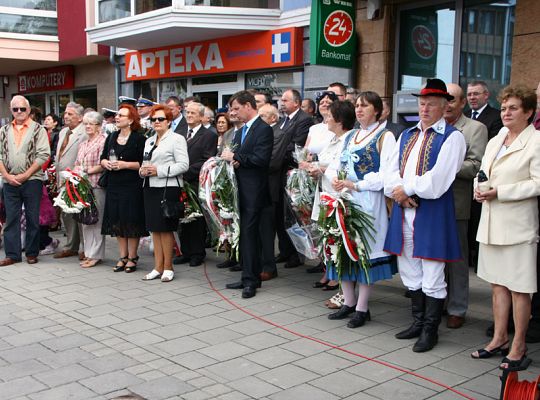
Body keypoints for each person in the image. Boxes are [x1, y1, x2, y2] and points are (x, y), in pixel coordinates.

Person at [384, 79, 466, 353]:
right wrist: (399, 192)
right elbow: (391, 171)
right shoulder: (407, 135)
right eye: (422, 103)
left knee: (432, 271)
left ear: (445, 107)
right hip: (404, 210)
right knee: (409, 268)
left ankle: (431, 330)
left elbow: (438, 181)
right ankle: (418, 322)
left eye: (431, 104)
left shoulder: (452, 137)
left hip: (431, 213)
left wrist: (405, 188)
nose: (425, 108)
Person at [471, 85, 540, 371]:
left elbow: (537, 183)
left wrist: (500, 191)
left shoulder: (536, 141)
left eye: (513, 108)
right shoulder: (497, 137)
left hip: (517, 225)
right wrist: (479, 188)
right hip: (491, 223)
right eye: (503, 108)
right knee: (498, 285)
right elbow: (482, 172)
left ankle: (519, 344)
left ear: (528, 112)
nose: (506, 113)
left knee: (519, 289)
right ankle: (499, 338)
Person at [326, 95, 397, 328]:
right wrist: (336, 179)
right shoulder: (351, 136)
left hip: (368, 201)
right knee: (344, 249)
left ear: (377, 111)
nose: (359, 109)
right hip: (345, 199)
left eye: (364, 105)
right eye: (356, 105)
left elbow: (386, 174)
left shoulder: (385, 137)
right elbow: (336, 165)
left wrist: (356, 184)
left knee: (364, 251)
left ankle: (362, 307)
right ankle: (348, 301)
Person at [443, 83, 488, 329]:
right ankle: (437, 301)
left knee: (457, 260)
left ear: (462, 103)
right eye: (445, 99)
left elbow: (476, 166)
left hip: (456, 203)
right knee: (434, 257)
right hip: (430, 204)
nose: (447, 104)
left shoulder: (475, 129)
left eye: (453, 100)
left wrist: (444, 165)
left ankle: (457, 307)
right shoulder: (435, 127)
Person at [221, 90, 273, 298]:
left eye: (236, 108)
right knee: (245, 235)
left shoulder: (263, 129)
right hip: (240, 190)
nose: (233, 113)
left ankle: (251, 281)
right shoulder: (241, 131)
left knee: (251, 236)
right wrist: (235, 160)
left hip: (254, 192)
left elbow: (261, 159)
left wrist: (235, 156)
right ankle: (247, 276)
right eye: (231, 109)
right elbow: (244, 158)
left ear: (248, 106)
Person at [140, 104, 189, 283]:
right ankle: (157, 266)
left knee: (166, 228)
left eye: (161, 119)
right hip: (150, 187)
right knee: (154, 228)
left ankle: (168, 267)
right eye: (154, 119)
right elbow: (144, 163)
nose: (157, 122)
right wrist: (143, 171)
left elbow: (183, 165)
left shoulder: (177, 139)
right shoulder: (149, 140)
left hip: (168, 187)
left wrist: (158, 170)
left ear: (169, 121)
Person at [0, 95, 50, 266]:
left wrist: (26, 174)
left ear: (29, 110)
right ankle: (12, 255)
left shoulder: (38, 129)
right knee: (11, 219)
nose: (19, 112)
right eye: (16, 109)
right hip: (9, 181)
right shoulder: (3, 130)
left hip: (32, 180)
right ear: (11, 111)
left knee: (32, 218)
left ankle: (31, 253)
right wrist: (7, 176)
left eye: (23, 108)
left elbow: (43, 154)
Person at [100, 104, 147, 273]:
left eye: (121, 115)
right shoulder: (111, 136)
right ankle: (122, 256)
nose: (117, 117)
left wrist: (124, 164)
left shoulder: (139, 139)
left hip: (132, 185)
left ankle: (133, 257)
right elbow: (103, 158)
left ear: (131, 120)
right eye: (117, 115)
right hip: (114, 184)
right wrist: (107, 164)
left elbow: (143, 163)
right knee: (117, 221)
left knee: (131, 221)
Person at [173, 102, 217, 267]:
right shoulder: (179, 132)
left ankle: (197, 253)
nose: (189, 115)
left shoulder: (209, 135)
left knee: (196, 219)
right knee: (183, 218)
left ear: (201, 116)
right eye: (187, 112)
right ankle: (185, 251)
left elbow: (207, 160)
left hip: (195, 182)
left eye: (192, 113)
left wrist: (184, 171)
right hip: (178, 181)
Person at [276, 89, 314, 269]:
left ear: (296, 103)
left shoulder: (304, 119)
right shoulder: (283, 120)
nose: (281, 103)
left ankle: (297, 255)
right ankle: (285, 251)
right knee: (281, 215)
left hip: (293, 172)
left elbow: (296, 144)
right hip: (280, 172)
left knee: (293, 215)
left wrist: (275, 153)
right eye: (281, 100)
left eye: (285, 100)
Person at [258, 104, 288, 281]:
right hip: (257, 187)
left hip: (270, 188)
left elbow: (273, 162)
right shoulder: (260, 132)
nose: (260, 119)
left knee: (267, 231)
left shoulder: (279, 134)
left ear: (273, 118)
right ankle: (259, 263)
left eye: (263, 116)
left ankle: (269, 267)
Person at [54, 102, 88, 260]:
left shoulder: (84, 133)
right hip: (62, 179)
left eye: (70, 114)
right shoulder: (63, 132)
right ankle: (71, 246)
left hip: (77, 179)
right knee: (66, 214)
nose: (66, 116)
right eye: (65, 113)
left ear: (80, 118)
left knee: (80, 215)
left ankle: (85, 248)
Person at [73, 111, 107, 268]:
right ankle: (88, 253)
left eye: (90, 124)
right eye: (85, 123)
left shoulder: (103, 142)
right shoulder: (83, 143)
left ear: (99, 126)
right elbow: (77, 162)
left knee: (97, 220)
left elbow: (103, 164)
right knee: (85, 221)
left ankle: (96, 255)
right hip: (82, 186)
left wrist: (86, 170)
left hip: (96, 185)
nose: (87, 126)